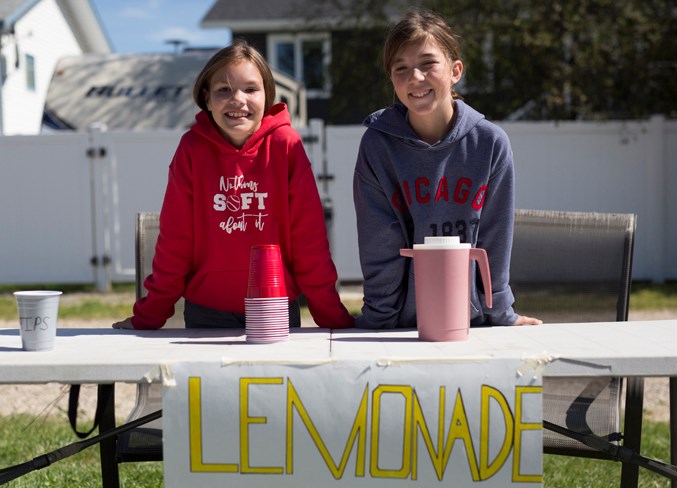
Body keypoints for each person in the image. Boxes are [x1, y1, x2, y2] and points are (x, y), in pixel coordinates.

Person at [114, 39, 353, 330]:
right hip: (207, 311)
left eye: (250, 89)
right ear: (207, 97)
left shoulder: (286, 146)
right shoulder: (192, 149)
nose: (237, 99)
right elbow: (175, 242)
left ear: (267, 95)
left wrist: (332, 318)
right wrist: (149, 316)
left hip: (274, 306)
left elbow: (309, 242)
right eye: (224, 90)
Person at [353, 9, 541, 329]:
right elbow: (379, 243)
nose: (415, 77)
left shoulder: (490, 143)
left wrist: (501, 314)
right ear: (392, 81)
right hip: (398, 326)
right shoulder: (377, 147)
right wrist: (379, 321)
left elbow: (494, 238)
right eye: (402, 68)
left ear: (455, 71)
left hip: (473, 325)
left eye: (428, 63)